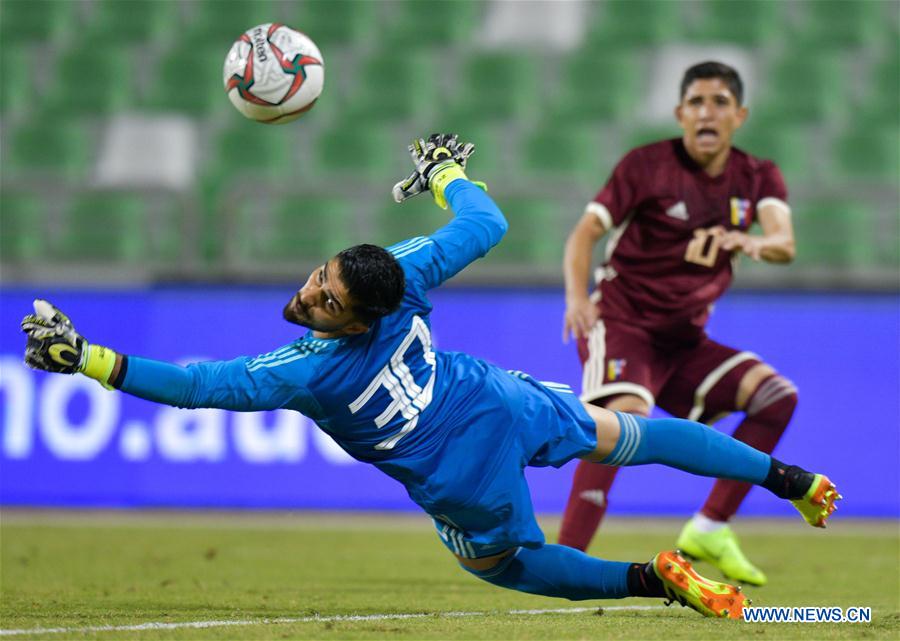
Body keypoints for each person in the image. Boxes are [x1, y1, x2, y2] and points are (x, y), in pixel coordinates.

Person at [21, 134, 838, 620]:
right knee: (635, 433)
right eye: (319, 278)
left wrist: (89, 358)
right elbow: (487, 220)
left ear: (356, 321)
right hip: (498, 398)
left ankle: (652, 577)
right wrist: (446, 170)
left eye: (327, 299)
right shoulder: (399, 275)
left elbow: (201, 387)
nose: (309, 294)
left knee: (511, 563)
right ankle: (788, 476)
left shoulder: (310, 371)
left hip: (457, 476)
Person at [559, 61, 802, 586]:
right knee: (622, 420)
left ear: (739, 115)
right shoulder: (645, 166)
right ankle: (565, 559)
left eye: (718, 102)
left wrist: (756, 242)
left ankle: (711, 526)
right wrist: (578, 297)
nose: (706, 112)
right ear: (679, 113)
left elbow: (784, 241)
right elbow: (584, 234)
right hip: (623, 321)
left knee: (775, 397)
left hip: (684, 340)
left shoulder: (758, 175)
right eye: (696, 102)